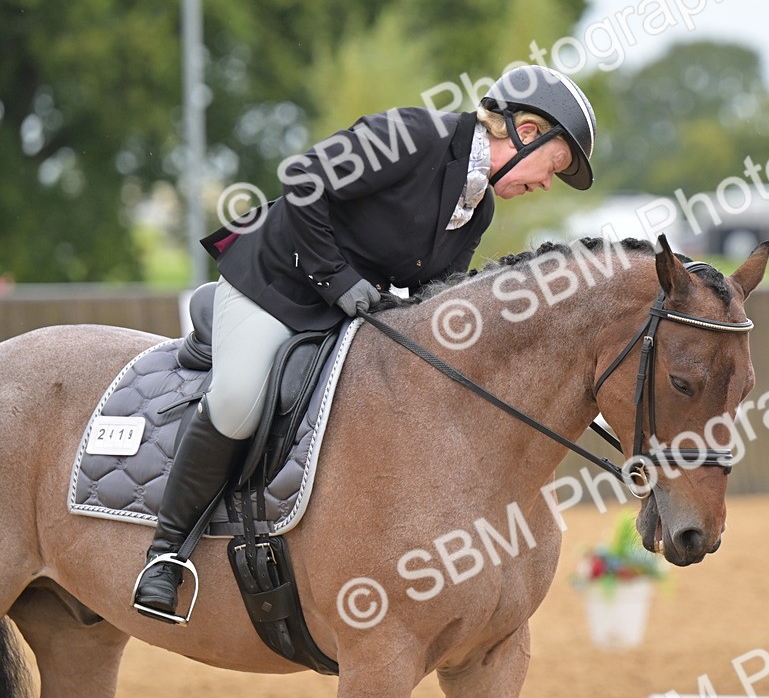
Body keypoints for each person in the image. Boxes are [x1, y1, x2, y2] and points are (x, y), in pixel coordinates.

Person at [133, 65, 597, 622]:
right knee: (238, 398)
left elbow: (433, 293)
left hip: (344, 307)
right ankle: (165, 555)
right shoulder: (415, 134)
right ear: (524, 130)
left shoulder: (479, 206)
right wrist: (338, 280)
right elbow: (304, 179)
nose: (548, 182)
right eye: (557, 165)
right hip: (274, 283)